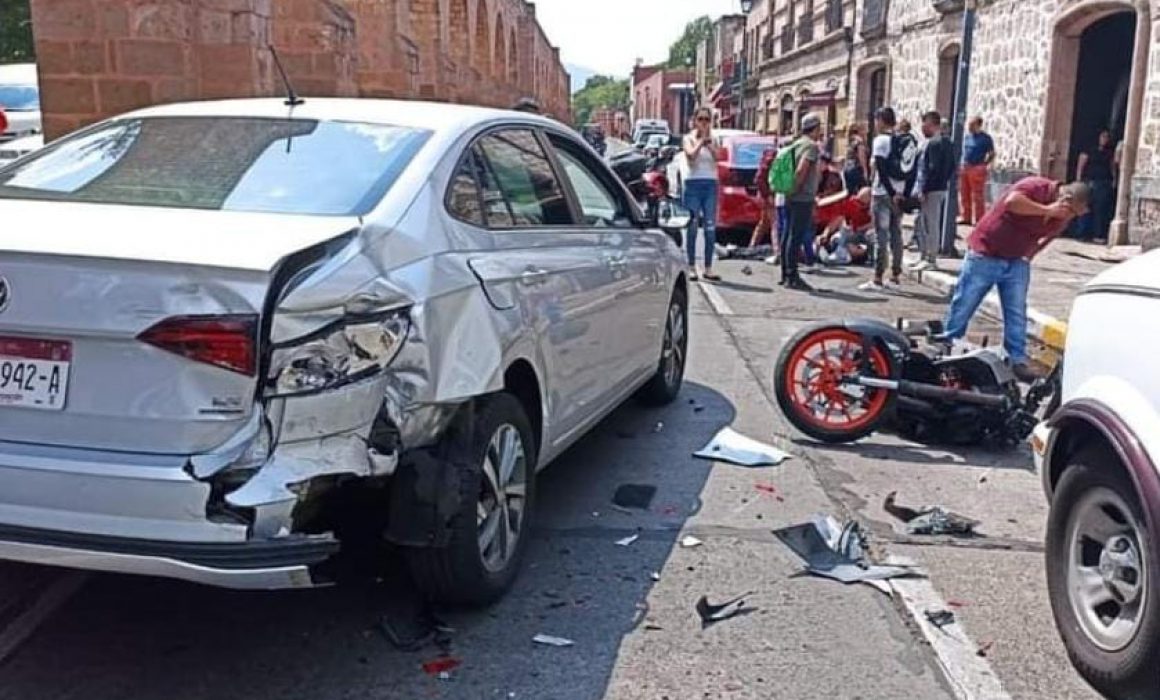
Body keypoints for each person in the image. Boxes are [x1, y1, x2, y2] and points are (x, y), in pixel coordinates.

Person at [943, 177, 1090, 382]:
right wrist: (1047, 210)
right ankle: (948, 344)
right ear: (1066, 198)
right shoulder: (1035, 187)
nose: (1071, 217)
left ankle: (1016, 359)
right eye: (1073, 211)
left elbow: (1049, 236)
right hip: (987, 252)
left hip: (1016, 260)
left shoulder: (1063, 216)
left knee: (1016, 311)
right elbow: (1012, 202)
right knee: (966, 301)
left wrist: (1030, 254)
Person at [860, 106, 916, 290]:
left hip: (883, 194)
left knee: (881, 235)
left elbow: (881, 170)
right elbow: (911, 171)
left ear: (881, 120)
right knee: (896, 234)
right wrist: (903, 195)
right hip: (899, 194)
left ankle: (877, 278)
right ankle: (895, 276)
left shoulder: (881, 141)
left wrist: (890, 192)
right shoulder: (905, 141)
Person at [780, 112, 824, 291]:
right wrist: (797, 188)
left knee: (787, 234)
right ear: (815, 128)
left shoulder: (795, 143)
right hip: (802, 196)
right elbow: (801, 170)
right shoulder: (811, 146)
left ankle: (785, 273)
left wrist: (789, 190)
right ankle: (792, 275)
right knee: (795, 236)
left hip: (790, 196)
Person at [911, 110, 956, 270]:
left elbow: (931, 168)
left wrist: (924, 188)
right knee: (924, 222)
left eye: (926, 125)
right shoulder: (943, 143)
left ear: (933, 125)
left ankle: (931, 258)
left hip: (932, 189)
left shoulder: (935, 144)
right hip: (937, 188)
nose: (923, 128)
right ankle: (924, 255)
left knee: (931, 223)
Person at [682, 107, 721, 282]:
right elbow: (690, 156)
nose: (704, 123)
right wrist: (700, 142)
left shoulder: (715, 139)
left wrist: (710, 144)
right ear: (695, 120)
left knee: (710, 227)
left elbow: (718, 157)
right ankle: (691, 266)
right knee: (692, 226)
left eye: (707, 120)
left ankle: (708, 267)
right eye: (701, 119)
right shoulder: (688, 138)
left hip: (710, 184)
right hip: (693, 184)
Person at [1076, 128, 1117, 242]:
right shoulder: (1090, 149)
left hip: (1103, 182)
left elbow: (1112, 165)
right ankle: (1082, 233)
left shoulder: (1109, 152)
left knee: (1100, 209)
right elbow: (1081, 164)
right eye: (1103, 136)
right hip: (1089, 181)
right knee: (1085, 208)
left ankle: (1097, 234)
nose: (1104, 139)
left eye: (1107, 137)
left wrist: (1114, 179)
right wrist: (1079, 180)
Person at [959, 116, 995, 225]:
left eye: (972, 125)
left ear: (978, 125)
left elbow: (991, 153)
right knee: (964, 193)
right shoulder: (967, 137)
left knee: (977, 195)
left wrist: (985, 164)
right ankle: (966, 217)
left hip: (977, 168)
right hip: (965, 166)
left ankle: (979, 219)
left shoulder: (986, 138)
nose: (969, 127)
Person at [749, 146, 778, 249]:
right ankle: (777, 250)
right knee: (775, 222)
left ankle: (752, 246)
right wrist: (768, 195)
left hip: (766, 194)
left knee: (765, 222)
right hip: (768, 195)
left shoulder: (768, 160)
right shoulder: (772, 160)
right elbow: (759, 179)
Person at [844, 123, 869, 195]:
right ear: (860, 130)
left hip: (847, 168)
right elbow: (862, 157)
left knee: (850, 193)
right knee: (862, 193)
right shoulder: (859, 141)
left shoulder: (851, 140)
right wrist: (865, 172)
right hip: (856, 169)